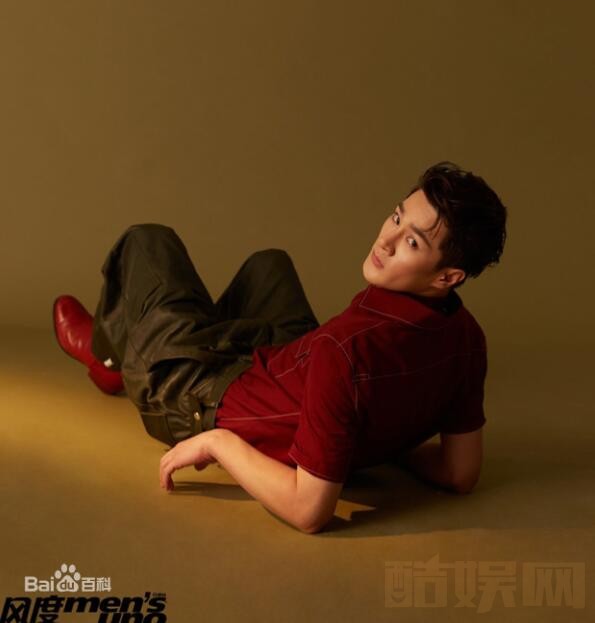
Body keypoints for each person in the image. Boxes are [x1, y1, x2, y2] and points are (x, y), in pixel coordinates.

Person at [53, 160, 507, 534]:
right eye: (396, 217)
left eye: (411, 241)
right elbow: (459, 472)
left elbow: (310, 511)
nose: (385, 241)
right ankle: (159, 337)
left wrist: (218, 443)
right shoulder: (468, 337)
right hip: (284, 368)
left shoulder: (343, 352)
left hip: (202, 396)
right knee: (269, 266)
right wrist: (377, 439)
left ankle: (109, 357)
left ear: (448, 277)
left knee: (148, 241)